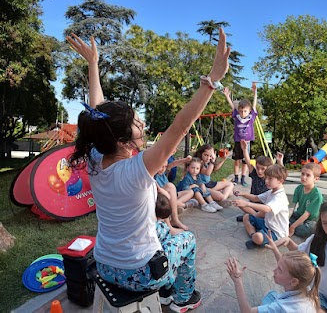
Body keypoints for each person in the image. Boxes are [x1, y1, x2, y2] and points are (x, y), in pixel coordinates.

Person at [66, 27, 230, 312]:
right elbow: (180, 126)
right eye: (136, 123)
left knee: (161, 229)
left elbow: (98, 114)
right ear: (122, 139)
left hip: (105, 264)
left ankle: (167, 290)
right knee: (187, 239)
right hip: (138, 274)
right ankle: (181, 298)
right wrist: (211, 81)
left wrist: (93, 64)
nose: (141, 124)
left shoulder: (95, 157)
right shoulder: (136, 170)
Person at [225, 247, 321, 313]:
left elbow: (247, 311)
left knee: (270, 297)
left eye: (279, 269)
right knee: (272, 295)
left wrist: (237, 280)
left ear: (294, 281)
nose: (274, 270)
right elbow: (289, 269)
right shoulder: (306, 287)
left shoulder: (282, 307)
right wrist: (275, 249)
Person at [231, 164, 289, 249]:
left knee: (258, 237)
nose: (266, 181)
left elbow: (267, 208)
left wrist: (247, 204)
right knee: (246, 217)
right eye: (266, 178)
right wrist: (242, 193)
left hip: (277, 232)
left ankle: (258, 238)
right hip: (267, 224)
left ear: (280, 181)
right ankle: (254, 237)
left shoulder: (280, 197)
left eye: (270, 179)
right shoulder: (271, 192)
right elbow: (255, 198)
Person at [235, 139, 284, 222]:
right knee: (240, 203)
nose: (260, 171)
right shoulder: (254, 174)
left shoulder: (271, 179)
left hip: (264, 207)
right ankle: (253, 216)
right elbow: (247, 161)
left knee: (262, 212)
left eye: (263, 169)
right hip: (253, 203)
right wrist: (244, 150)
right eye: (258, 168)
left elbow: (282, 174)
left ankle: (252, 216)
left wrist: (280, 162)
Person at [223, 82, 257, 186]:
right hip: (238, 142)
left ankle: (243, 178)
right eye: (241, 111)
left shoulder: (251, 117)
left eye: (245, 111)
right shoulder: (237, 116)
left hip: (246, 143)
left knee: (245, 161)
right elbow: (232, 106)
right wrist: (227, 96)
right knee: (236, 161)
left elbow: (254, 104)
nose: (243, 113)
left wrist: (255, 93)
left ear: (249, 111)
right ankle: (236, 178)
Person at [289, 163, 324, 238]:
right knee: (284, 218)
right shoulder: (299, 188)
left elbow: (307, 214)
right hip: (299, 214)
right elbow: (292, 207)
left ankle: (293, 226)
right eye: (302, 174)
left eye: (308, 175)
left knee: (306, 230)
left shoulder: (316, 195)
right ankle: (292, 225)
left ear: (316, 179)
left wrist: (292, 227)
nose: (304, 177)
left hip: (311, 220)